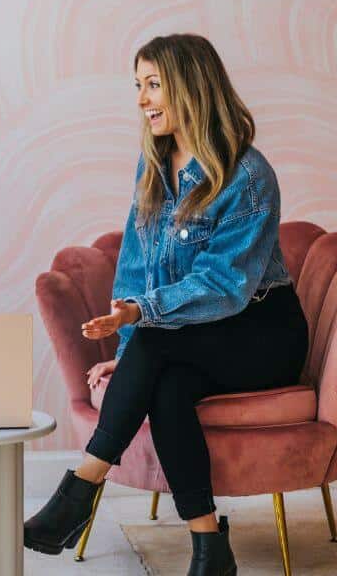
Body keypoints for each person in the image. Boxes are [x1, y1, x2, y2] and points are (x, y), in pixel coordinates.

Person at [23, 34, 308, 576]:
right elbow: (136, 265)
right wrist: (130, 350)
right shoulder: (154, 162)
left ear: (191, 87)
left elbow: (224, 285)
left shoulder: (247, 174)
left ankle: (79, 491)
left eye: (153, 84)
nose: (141, 99)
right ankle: (210, 549)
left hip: (262, 332)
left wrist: (140, 320)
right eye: (138, 85)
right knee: (166, 385)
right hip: (190, 334)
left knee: (155, 343)